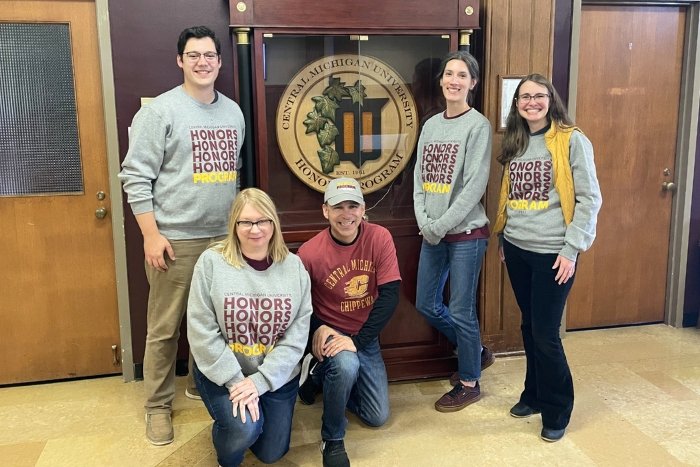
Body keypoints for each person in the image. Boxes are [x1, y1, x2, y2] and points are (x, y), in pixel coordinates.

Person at [118, 25, 245, 445]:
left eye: (209, 55)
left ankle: (200, 383)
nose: (202, 62)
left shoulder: (233, 113)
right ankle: (157, 406)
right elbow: (135, 177)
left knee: (215, 323)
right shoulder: (160, 112)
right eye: (193, 55)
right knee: (165, 327)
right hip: (175, 239)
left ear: (220, 62)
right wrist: (150, 235)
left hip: (224, 239)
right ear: (180, 61)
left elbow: (232, 175)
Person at [494, 73, 602, 442]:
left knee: (545, 332)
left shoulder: (572, 140)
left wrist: (572, 249)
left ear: (550, 100)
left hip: (554, 253)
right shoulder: (517, 140)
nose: (531, 103)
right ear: (517, 104)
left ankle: (557, 409)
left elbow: (589, 199)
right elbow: (509, 195)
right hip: (517, 248)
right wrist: (503, 240)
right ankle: (534, 395)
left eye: (538, 96)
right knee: (529, 326)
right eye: (524, 97)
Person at [187, 188, 312, 466]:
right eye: (246, 222)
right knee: (243, 430)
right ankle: (227, 447)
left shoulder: (294, 268)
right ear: (234, 225)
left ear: (273, 224)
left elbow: (296, 337)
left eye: (263, 221)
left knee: (271, 454)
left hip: (274, 375)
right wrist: (236, 383)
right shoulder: (211, 263)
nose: (255, 229)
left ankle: (245, 420)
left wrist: (260, 382)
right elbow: (201, 330)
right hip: (223, 373)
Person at [297, 177, 401, 467]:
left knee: (376, 416)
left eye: (353, 206)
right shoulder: (308, 253)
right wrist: (319, 327)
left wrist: (358, 341)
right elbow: (298, 306)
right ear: (325, 212)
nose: (346, 214)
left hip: (363, 335)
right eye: (338, 207)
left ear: (363, 208)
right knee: (345, 365)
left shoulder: (379, 237)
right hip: (331, 332)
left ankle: (318, 376)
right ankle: (332, 439)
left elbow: (390, 294)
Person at [412, 50, 493, 413]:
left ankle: (470, 382)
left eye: (462, 75)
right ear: (441, 80)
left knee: (461, 311)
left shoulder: (478, 125)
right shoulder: (430, 126)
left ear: (472, 83)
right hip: (432, 232)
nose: (454, 81)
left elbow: (474, 185)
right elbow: (419, 177)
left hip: (466, 236)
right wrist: (424, 221)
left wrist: (440, 225)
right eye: (449, 74)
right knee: (427, 303)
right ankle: (473, 351)